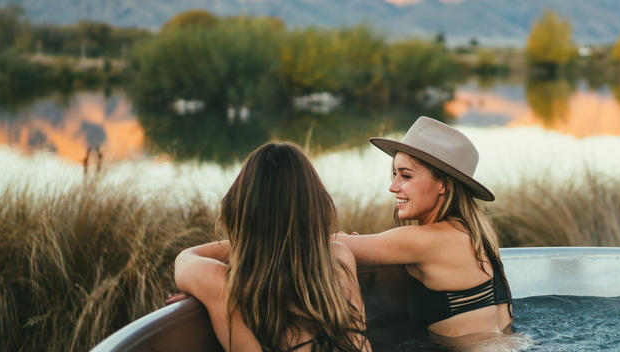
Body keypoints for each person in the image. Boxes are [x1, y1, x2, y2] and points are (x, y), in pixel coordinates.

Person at [335, 116, 516, 350]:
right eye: (395, 174)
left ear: (444, 185)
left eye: (406, 176)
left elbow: (328, 246)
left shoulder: (427, 240)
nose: (393, 186)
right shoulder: (476, 235)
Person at [173, 142, 371, 352]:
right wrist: (291, 238)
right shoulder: (340, 262)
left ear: (239, 211)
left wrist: (256, 242)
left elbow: (185, 257)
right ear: (318, 210)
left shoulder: (219, 284)